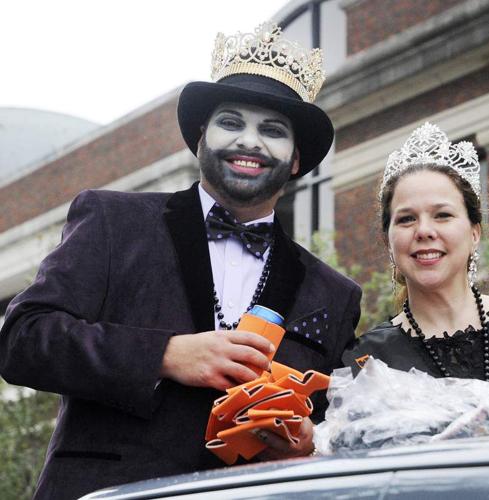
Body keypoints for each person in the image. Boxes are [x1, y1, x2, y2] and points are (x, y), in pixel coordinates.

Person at [0, 22, 361, 499]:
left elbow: (342, 427)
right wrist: (165, 355)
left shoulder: (334, 293)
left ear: (295, 160)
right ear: (199, 137)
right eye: (231, 122)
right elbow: (23, 338)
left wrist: (309, 442)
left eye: (272, 131)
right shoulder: (113, 221)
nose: (249, 142)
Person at [342, 122, 489, 387]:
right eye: (407, 219)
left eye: (442, 215)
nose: (424, 231)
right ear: (388, 242)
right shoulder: (367, 363)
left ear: (474, 233)